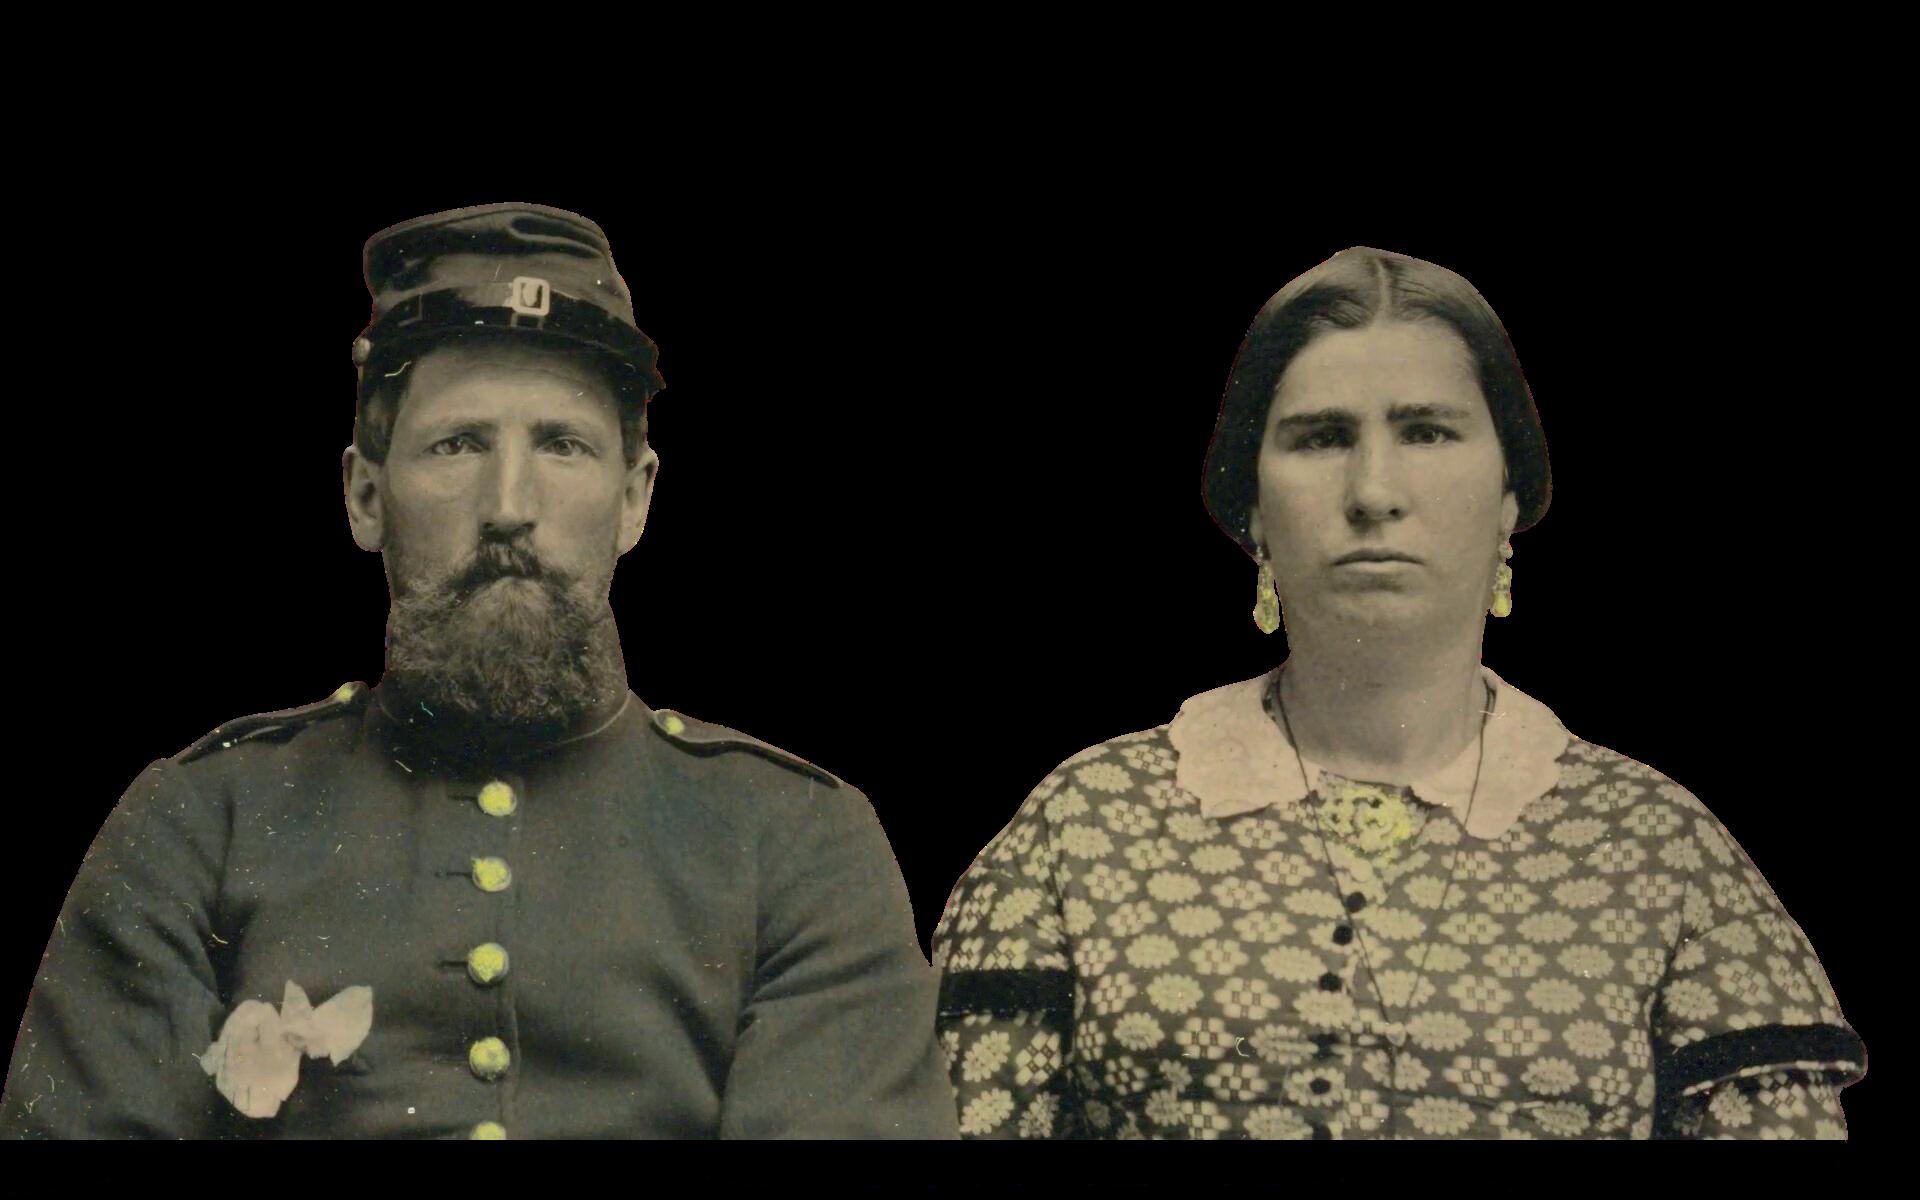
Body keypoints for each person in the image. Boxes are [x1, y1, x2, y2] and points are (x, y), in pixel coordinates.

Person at [2, 203, 957, 1140]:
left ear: (634, 500)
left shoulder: (796, 842)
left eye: (563, 445)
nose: (509, 505)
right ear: (364, 495)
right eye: (457, 444)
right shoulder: (200, 822)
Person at [932, 247, 1866, 1139]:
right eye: (1321, 438)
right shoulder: (1087, 826)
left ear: (1510, 492)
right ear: (1251, 504)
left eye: (1426, 431)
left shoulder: (1659, 852)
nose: (1374, 491)